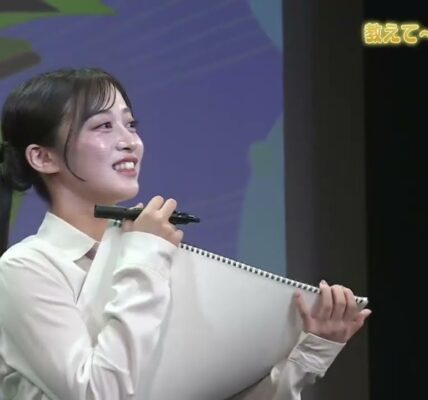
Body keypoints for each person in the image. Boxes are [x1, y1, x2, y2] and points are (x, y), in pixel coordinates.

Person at [0, 68, 371, 400]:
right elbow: (97, 393)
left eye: (131, 124)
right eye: (102, 126)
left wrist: (312, 351)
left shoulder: (150, 254)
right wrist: (145, 253)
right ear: (43, 157)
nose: (130, 141)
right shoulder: (26, 268)